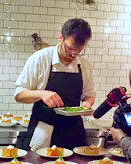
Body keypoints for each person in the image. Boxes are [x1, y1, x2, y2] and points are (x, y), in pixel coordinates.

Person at [14, 18, 95, 151]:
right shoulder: (40, 59)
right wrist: (41, 94)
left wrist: (87, 104)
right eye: (69, 49)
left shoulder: (85, 65)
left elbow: (89, 94)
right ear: (61, 38)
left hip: (74, 132)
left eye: (79, 50)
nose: (74, 54)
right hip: (44, 131)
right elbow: (19, 94)